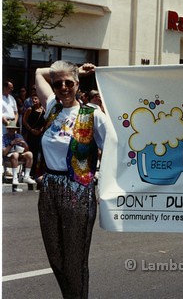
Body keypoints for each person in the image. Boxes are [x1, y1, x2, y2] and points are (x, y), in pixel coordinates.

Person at [35, 60, 107, 298]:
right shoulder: (52, 107)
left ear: (77, 85)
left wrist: (83, 73)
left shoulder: (92, 113)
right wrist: (75, 69)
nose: (63, 87)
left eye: (69, 82)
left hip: (78, 189)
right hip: (50, 189)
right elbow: (38, 72)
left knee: (74, 261)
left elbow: (116, 145)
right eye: (58, 83)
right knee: (55, 257)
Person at [2, 121, 37, 188]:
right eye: (10, 128)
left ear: (15, 130)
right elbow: (4, 153)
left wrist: (23, 143)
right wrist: (11, 144)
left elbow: (27, 149)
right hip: (8, 157)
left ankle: (26, 176)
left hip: (18, 156)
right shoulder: (3, 138)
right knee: (15, 154)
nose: (11, 130)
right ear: (7, 129)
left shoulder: (19, 136)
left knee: (29, 154)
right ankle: (15, 177)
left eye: (13, 129)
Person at [22, 94, 46, 179]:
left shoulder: (44, 110)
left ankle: (36, 172)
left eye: (36, 99)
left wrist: (40, 131)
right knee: (30, 151)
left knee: (38, 153)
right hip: (31, 134)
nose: (34, 101)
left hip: (39, 134)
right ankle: (28, 172)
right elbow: (24, 120)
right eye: (33, 99)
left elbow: (46, 122)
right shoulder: (30, 109)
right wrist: (31, 130)